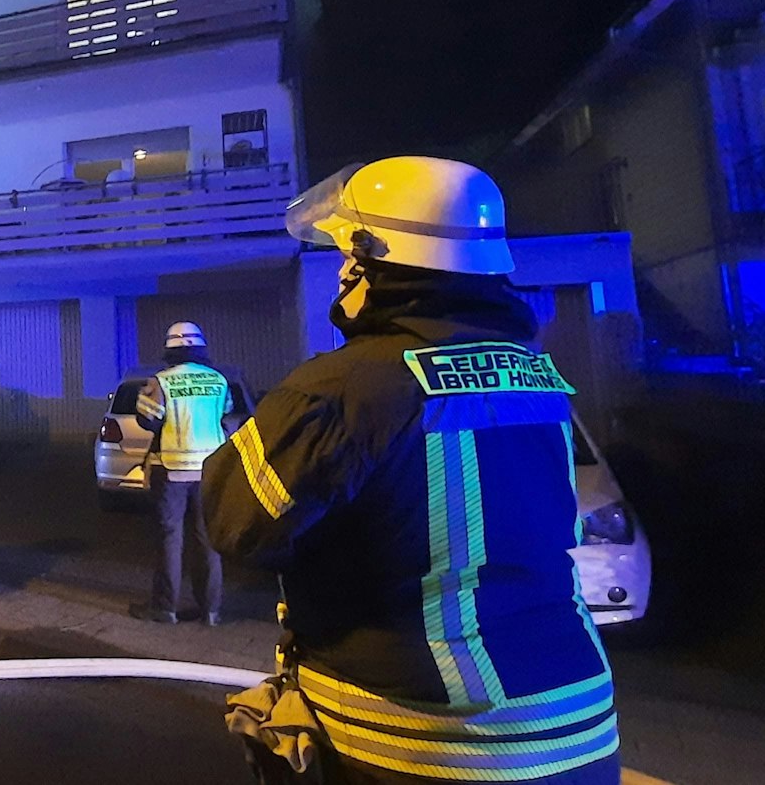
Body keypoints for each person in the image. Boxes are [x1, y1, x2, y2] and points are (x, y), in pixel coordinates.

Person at [203, 157, 617, 784]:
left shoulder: (348, 385)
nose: (342, 270)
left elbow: (237, 521)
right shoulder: (534, 373)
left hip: (429, 737)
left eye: (351, 251)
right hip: (578, 727)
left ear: (383, 258)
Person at [130, 321, 247, 625]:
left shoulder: (161, 381)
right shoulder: (219, 381)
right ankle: (210, 610)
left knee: (170, 538)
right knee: (207, 540)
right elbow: (227, 417)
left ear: (170, 349)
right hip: (210, 471)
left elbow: (148, 421)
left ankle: (165, 608)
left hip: (172, 471)